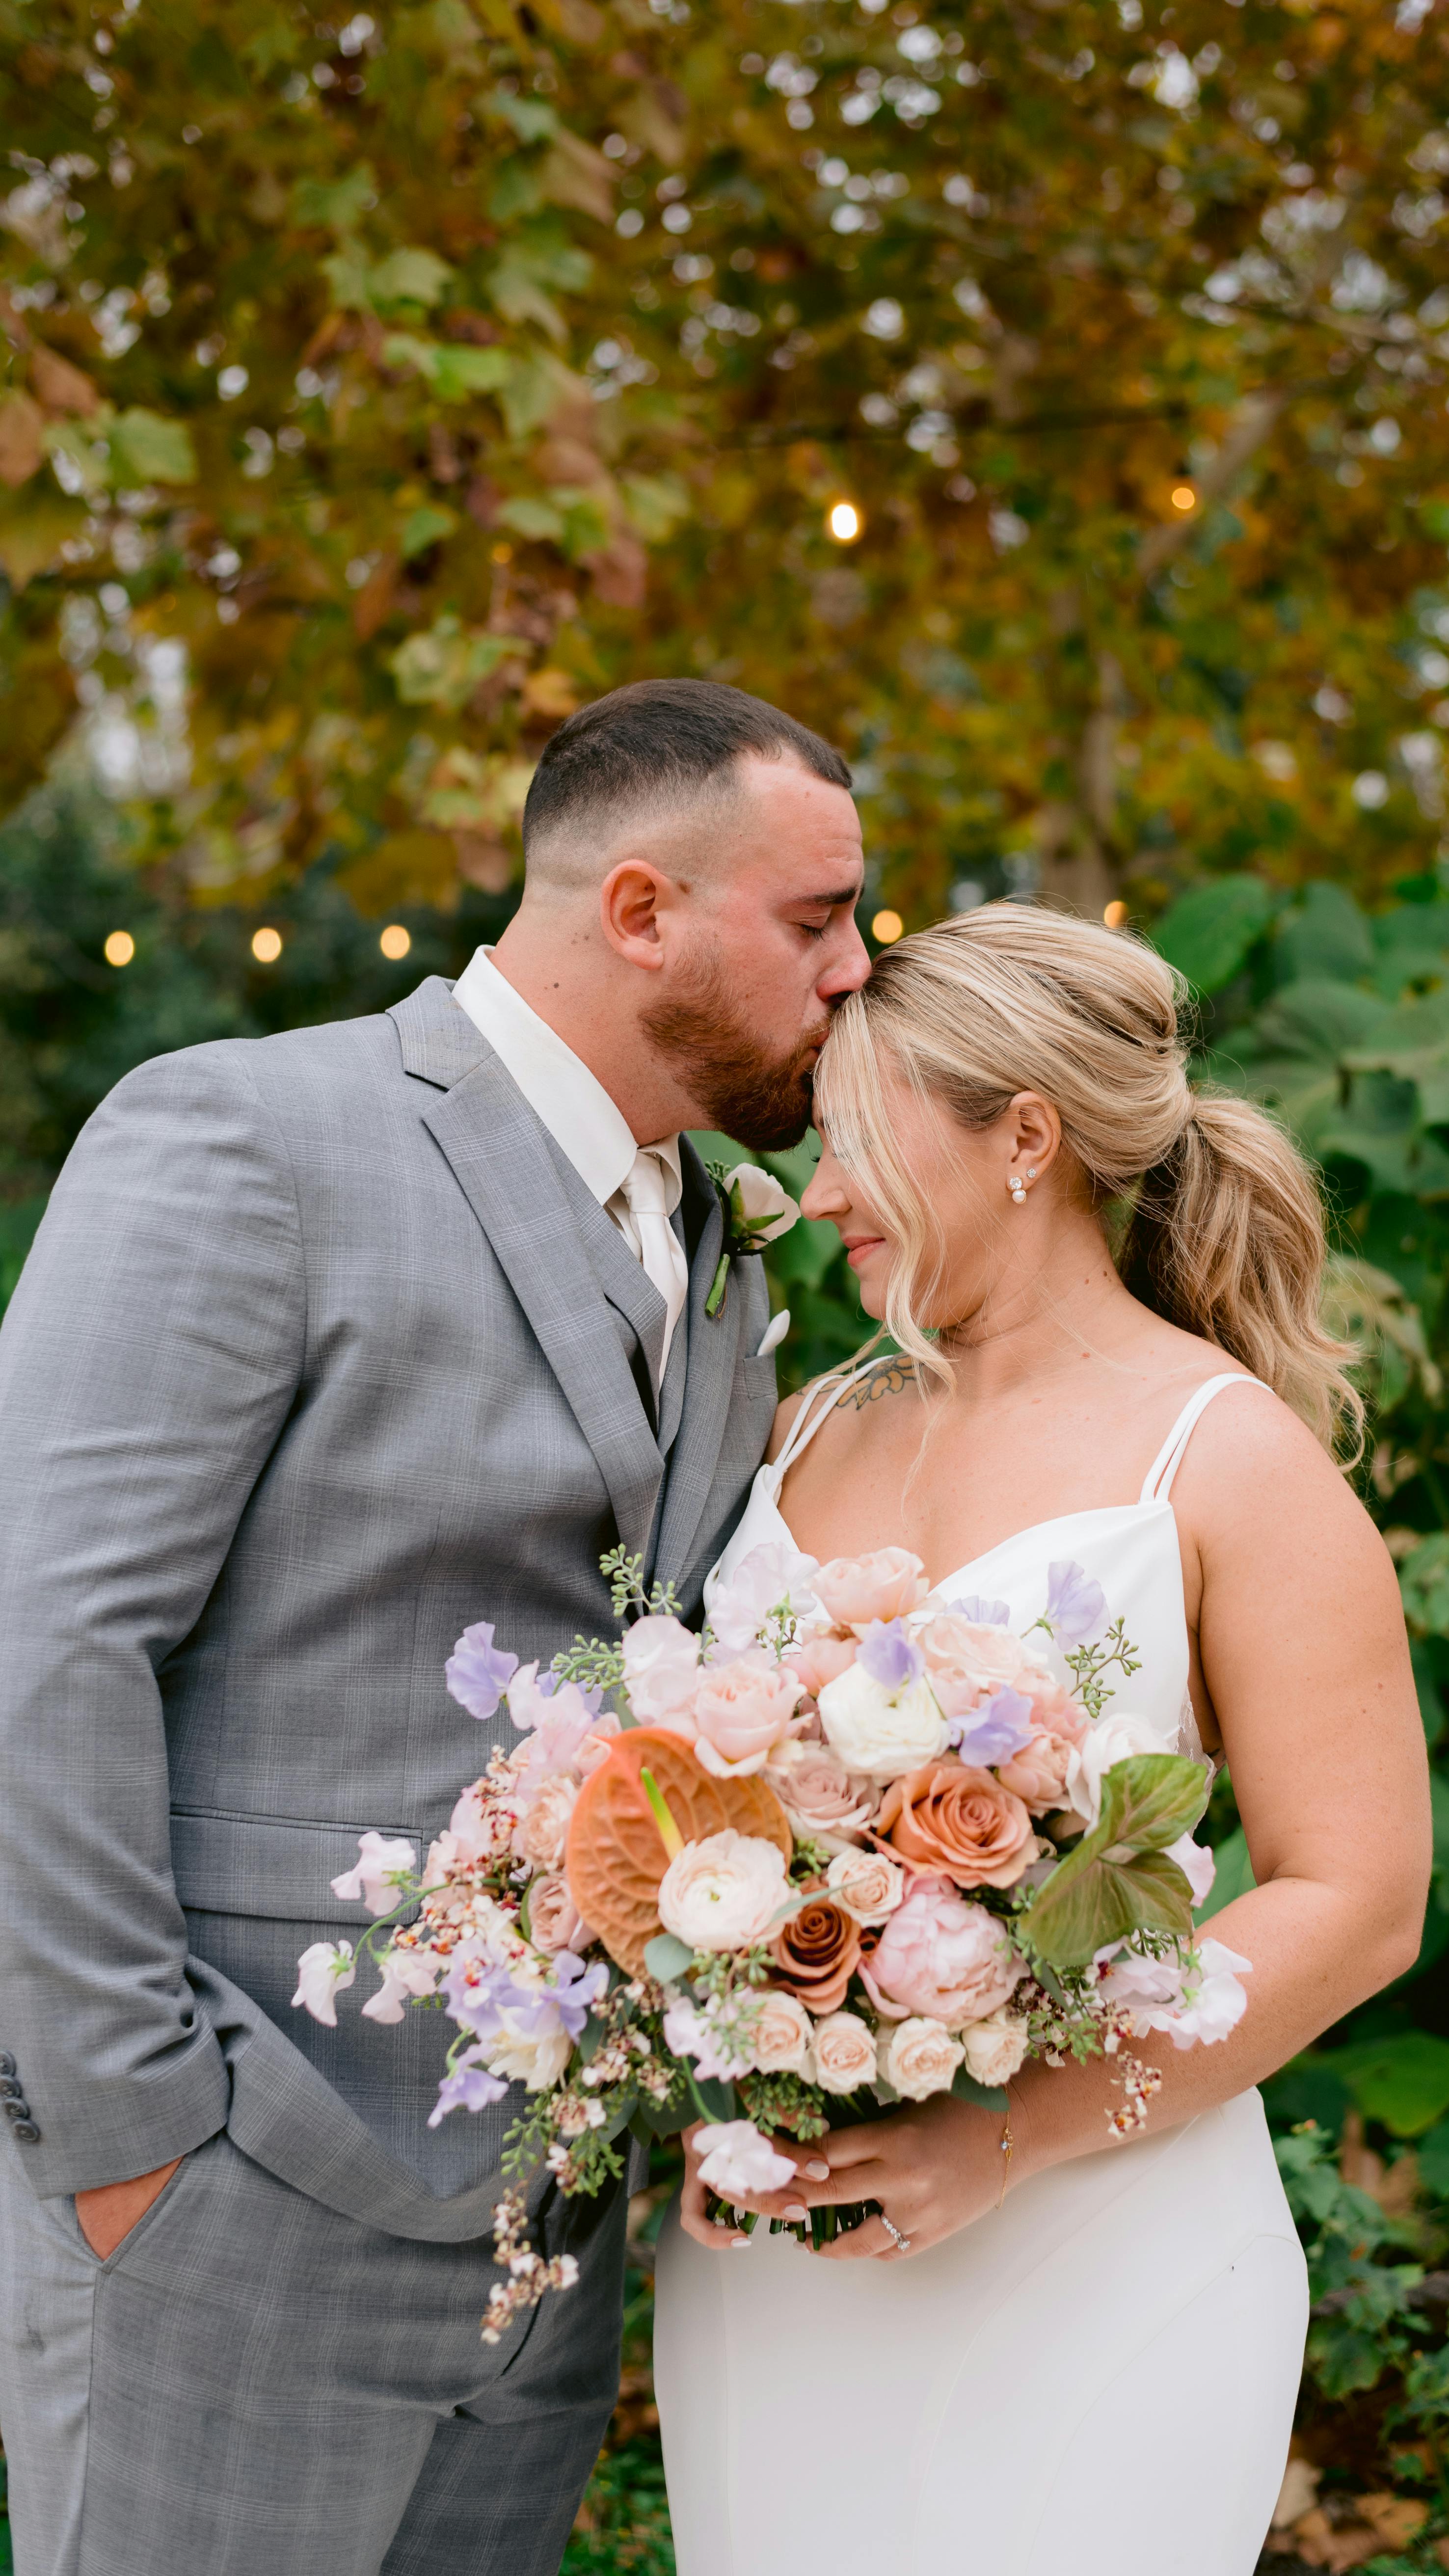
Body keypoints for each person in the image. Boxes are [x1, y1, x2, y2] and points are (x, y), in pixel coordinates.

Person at [0, 679, 868, 2576]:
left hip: (550, 2233)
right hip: (225, 2198)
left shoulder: (724, 1237)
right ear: (640, 910)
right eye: (817, 920)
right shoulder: (246, 1140)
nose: (855, 973)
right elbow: (38, 1653)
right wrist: (126, 2144)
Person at [654, 900, 1431, 2576]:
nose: (823, 1194)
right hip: (777, 2271)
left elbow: (1357, 1897)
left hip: (1098, 2250)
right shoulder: (803, 1425)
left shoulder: (1225, 1465)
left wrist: (1009, 2128)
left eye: (860, 1144)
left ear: (1025, 1138)